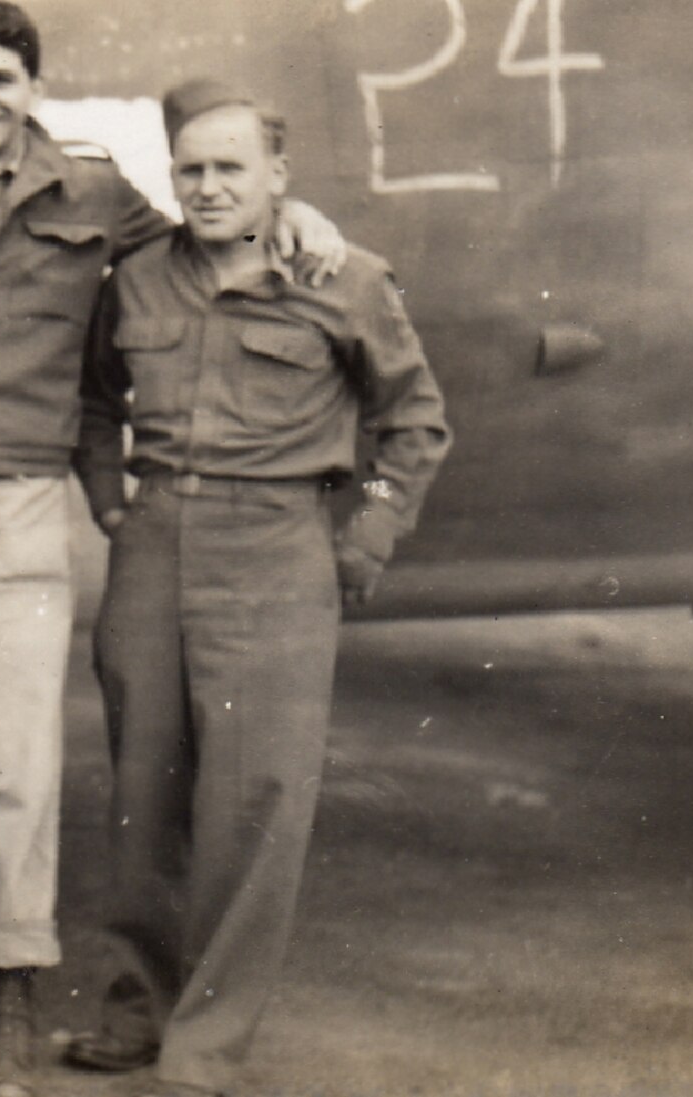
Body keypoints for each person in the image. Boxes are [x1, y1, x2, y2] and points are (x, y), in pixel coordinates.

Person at [0, 7, 346, 1097]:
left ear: (31, 88)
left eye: (0, 77)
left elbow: (206, 231)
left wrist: (302, 211)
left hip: (14, 499)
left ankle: (5, 994)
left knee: (4, 758)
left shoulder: (93, 196)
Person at [62, 79, 450, 1097]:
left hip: (276, 546)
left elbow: (414, 421)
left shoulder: (345, 277)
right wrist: (107, 499)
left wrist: (363, 537)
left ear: (277, 175)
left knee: (251, 806)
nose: (206, 187)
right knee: (142, 799)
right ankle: (132, 1009)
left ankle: (205, 1044)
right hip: (154, 545)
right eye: (189, 169)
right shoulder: (137, 277)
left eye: (229, 167)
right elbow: (94, 399)